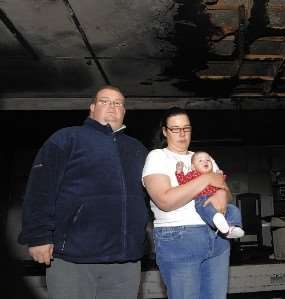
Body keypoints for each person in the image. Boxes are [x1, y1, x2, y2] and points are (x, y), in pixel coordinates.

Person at [18, 85, 149, 299]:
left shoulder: (137, 149)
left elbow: (152, 194)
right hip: (73, 258)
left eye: (118, 103)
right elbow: (40, 188)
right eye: (105, 101)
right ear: (91, 107)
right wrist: (38, 236)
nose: (112, 106)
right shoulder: (66, 138)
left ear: (124, 111)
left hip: (125, 261)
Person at [142, 107, 231, 299]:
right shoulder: (158, 157)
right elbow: (165, 200)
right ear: (165, 131)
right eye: (175, 129)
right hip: (180, 237)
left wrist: (223, 194)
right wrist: (206, 179)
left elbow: (224, 188)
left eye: (186, 128)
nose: (182, 134)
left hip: (217, 236)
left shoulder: (202, 157)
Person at [175, 151, 244, 238]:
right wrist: (179, 172)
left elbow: (221, 184)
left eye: (208, 160)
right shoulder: (192, 174)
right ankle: (218, 221)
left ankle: (232, 227)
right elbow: (183, 183)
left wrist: (220, 175)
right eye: (200, 161)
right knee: (208, 211)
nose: (205, 162)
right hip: (202, 200)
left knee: (234, 209)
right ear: (193, 167)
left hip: (218, 199)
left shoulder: (214, 174)